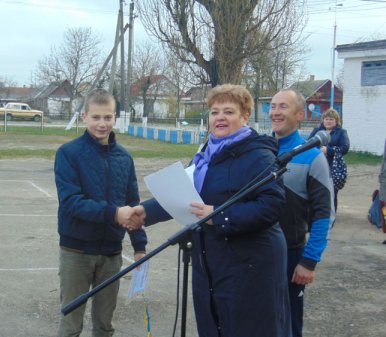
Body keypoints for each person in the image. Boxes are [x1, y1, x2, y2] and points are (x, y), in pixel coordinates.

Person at [126, 84, 291, 337]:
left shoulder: (258, 155)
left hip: (249, 266)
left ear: (245, 117)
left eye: (229, 111)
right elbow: (186, 194)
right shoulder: (206, 153)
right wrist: (145, 212)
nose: (220, 118)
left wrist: (219, 216)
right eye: (214, 112)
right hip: (210, 260)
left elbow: (272, 205)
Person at [54, 88, 147, 337]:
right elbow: (71, 202)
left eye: (107, 117)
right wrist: (114, 214)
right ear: (84, 117)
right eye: (96, 117)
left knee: (105, 325)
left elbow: (133, 202)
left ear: (115, 118)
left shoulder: (124, 158)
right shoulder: (68, 153)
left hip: (110, 253)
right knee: (71, 323)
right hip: (76, 252)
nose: (102, 124)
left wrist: (139, 247)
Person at [269, 89, 334, 337]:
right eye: (273, 106)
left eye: (283, 106)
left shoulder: (312, 156)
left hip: (290, 254)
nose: (275, 112)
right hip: (256, 253)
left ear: (300, 115)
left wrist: (309, 261)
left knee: (288, 324)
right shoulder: (259, 151)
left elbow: (324, 214)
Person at [309, 108, 350, 211]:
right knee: (316, 190)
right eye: (326, 119)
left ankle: (332, 213)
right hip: (317, 166)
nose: (328, 121)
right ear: (323, 120)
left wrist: (329, 150)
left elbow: (345, 148)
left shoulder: (341, 132)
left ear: (336, 121)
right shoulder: (317, 131)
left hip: (333, 167)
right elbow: (308, 144)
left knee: (332, 191)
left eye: (331, 119)